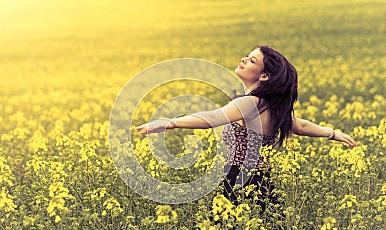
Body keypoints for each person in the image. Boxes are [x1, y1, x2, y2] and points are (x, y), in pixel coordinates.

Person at [136, 45, 357, 212]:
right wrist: (333, 133)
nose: (244, 60)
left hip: (236, 177)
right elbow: (300, 125)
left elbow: (212, 117)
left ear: (264, 76)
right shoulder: (273, 107)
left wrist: (171, 123)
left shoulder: (251, 103)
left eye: (252, 61)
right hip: (262, 181)